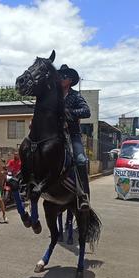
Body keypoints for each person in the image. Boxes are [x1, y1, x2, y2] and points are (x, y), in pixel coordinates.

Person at [57, 64, 91, 197]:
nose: (60, 79)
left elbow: (86, 111)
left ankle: (84, 195)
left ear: (70, 80)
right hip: (55, 134)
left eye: (64, 76)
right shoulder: (54, 96)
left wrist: (69, 113)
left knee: (81, 160)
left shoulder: (76, 96)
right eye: (59, 76)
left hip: (72, 134)